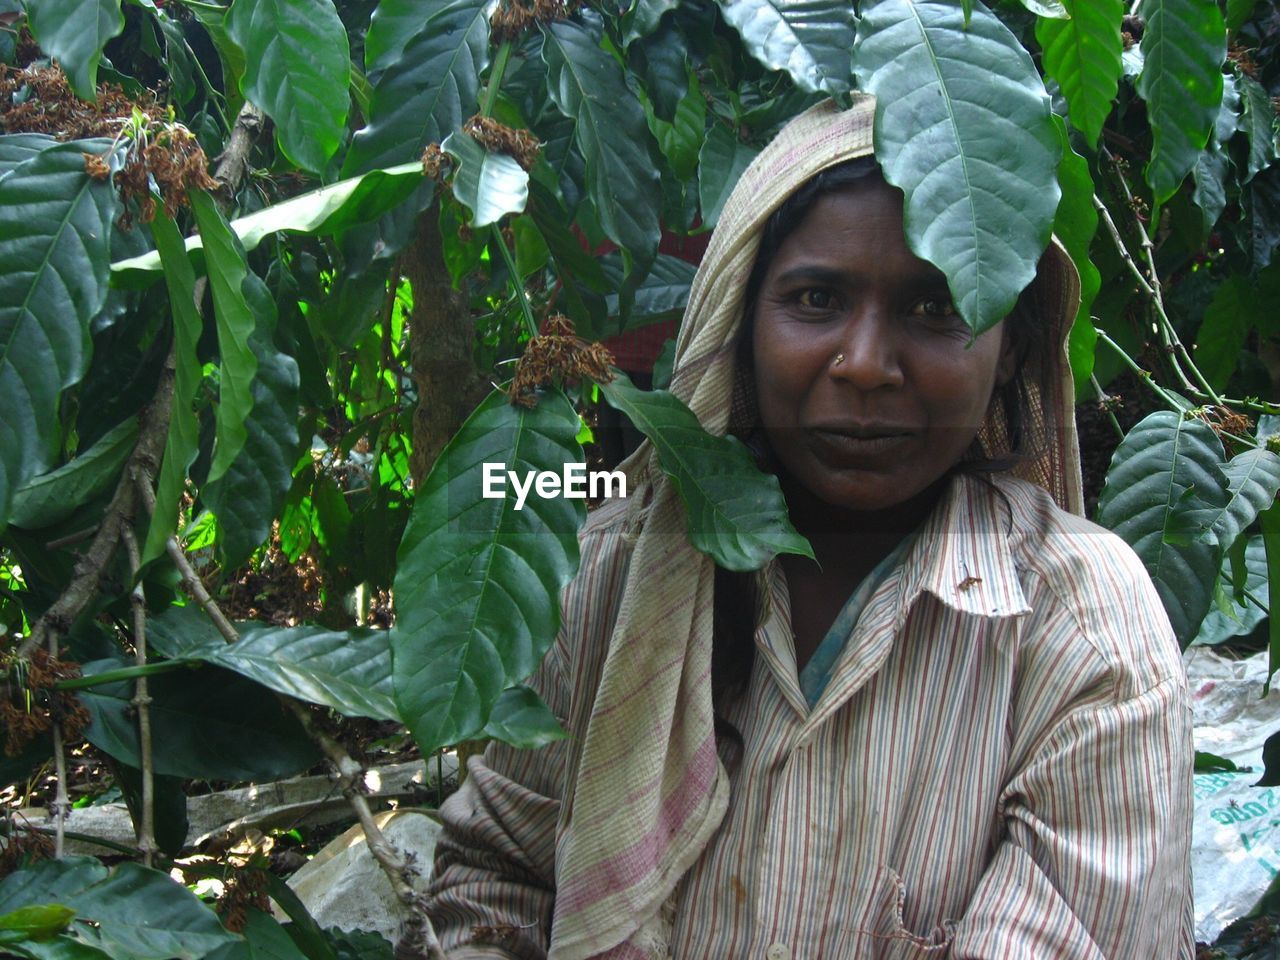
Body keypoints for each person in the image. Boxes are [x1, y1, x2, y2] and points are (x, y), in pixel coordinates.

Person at [424, 97, 1194, 959]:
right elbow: (496, 876)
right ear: (740, 320)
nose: (864, 365)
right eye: (816, 298)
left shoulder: (1082, 628)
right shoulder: (611, 568)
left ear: (1011, 343)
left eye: (937, 309)